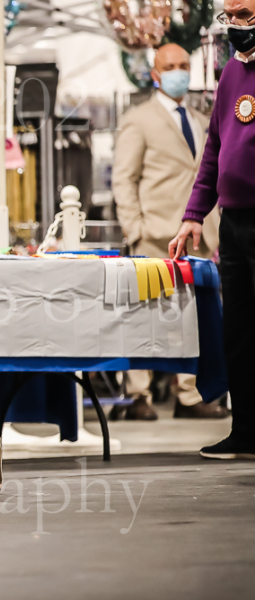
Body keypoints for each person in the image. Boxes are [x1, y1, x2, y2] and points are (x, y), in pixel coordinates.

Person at [113, 43, 228, 421]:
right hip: (154, 235)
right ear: (155, 74)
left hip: (198, 236)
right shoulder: (139, 120)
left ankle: (189, 395)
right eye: (171, 66)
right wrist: (135, 229)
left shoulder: (200, 119)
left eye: (184, 65)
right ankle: (138, 394)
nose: (179, 71)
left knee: (192, 319)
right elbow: (124, 180)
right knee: (143, 316)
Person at [169, 0, 255, 459]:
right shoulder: (230, 74)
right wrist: (193, 214)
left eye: (246, 15)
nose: (236, 25)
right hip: (233, 223)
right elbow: (214, 151)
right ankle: (247, 430)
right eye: (230, 16)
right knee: (238, 331)